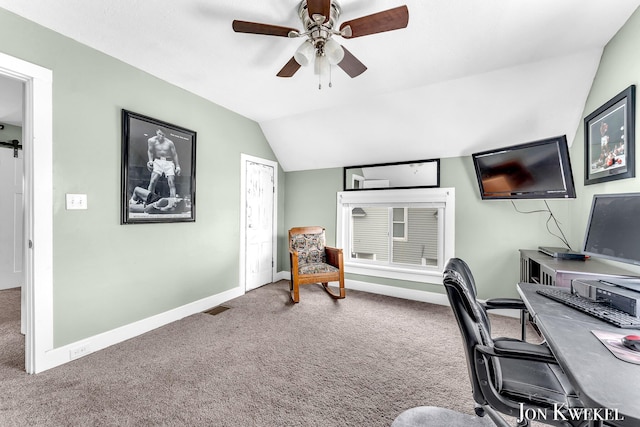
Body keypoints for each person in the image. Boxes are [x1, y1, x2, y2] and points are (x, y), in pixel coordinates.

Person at [147, 129, 181, 198]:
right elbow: (150, 151)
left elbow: (174, 154)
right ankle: (148, 200)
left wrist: (177, 166)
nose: (161, 136)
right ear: (156, 132)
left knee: (171, 182)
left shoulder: (169, 143)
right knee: (153, 181)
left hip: (168, 162)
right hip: (158, 161)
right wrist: (150, 161)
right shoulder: (151, 140)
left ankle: (173, 202)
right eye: (159, 134)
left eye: (163, 135)